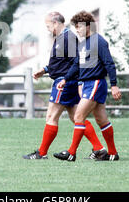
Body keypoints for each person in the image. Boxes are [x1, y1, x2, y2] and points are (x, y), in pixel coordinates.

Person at [23, 12, 107, 160]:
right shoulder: (63, 38)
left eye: (48, 26)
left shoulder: (67, 38)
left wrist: (70, 80)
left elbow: (76, 62)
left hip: (64, 83)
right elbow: (61, 63)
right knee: (76, 117)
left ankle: (41, 153)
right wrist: (44, 70)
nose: (48, 29)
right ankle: (99, 148)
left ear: (56, 23)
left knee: (51, 116)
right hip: (67, 81)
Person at [54, 11, 122, 161]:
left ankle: (71, 153)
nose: (77, 30)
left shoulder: (99, 41)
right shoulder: (83, 43)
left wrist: (114, 85)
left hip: (95, 83)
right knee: (101, 119)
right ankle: (112, 153)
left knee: (78, 116)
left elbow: (109, 63)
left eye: (78, 27)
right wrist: (65, 79)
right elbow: (77, 64)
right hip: (87, 84)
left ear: (86, 26)